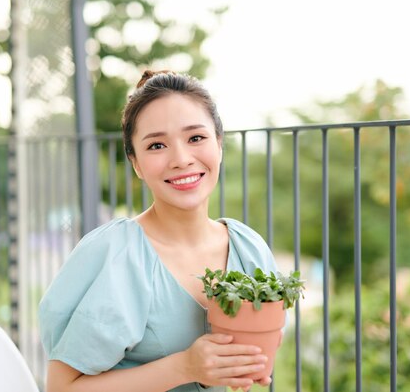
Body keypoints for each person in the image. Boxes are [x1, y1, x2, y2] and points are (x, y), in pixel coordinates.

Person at [39, 70, 280, 392]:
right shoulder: (115, 254)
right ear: (136, 163)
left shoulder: (247, 247)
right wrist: (185, 367)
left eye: (196, 138)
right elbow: (61, 389)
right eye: (156, 145)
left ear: (219, 145)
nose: (181, 159)